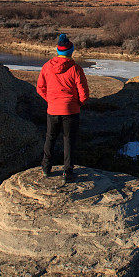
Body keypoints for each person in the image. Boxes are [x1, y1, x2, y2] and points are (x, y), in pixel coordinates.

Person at [37, 33, 89, 183]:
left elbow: (40, 88)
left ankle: (46, 167)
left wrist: (51, 100)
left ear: (58, 51)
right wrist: (78, 103)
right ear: (71, 51)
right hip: (71, 111)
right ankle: (68, 171)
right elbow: (84, 93)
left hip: (52, 110)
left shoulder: (47, 66)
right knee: (69, 140)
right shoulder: (76, 69)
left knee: (50, 138)